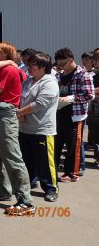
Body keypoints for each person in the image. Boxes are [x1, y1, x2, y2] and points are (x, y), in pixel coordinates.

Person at [0, 41, 34, 215]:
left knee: (11, 157)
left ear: (4, 55)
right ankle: (5, 191)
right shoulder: (6, 68)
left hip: (3, 115)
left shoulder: (8, 70)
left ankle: (25, 201)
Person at [16, 52, 60, 202]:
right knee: (27, 159)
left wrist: (20, 112)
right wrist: (20, 112)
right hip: (25, 129)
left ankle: (51, 188)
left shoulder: (49, 82)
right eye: (29, 63)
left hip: (42, 129)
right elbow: (21, 99)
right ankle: (30, 182)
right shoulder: (27, 82)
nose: (29, 66)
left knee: (45, 162)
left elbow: (40, 103)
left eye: (33, 64)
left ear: (43, 67)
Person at [54, 48, 94, 182]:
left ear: (71, 60)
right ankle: (53, 170)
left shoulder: (83, 74)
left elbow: (89, 95)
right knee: (57, 145)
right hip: (59, 114)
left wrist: (70, 99)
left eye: (63, 64)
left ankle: (72, 173)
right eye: (58, 65)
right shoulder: (58, 75)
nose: (60, 67)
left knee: (73, 146)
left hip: (75, 115)